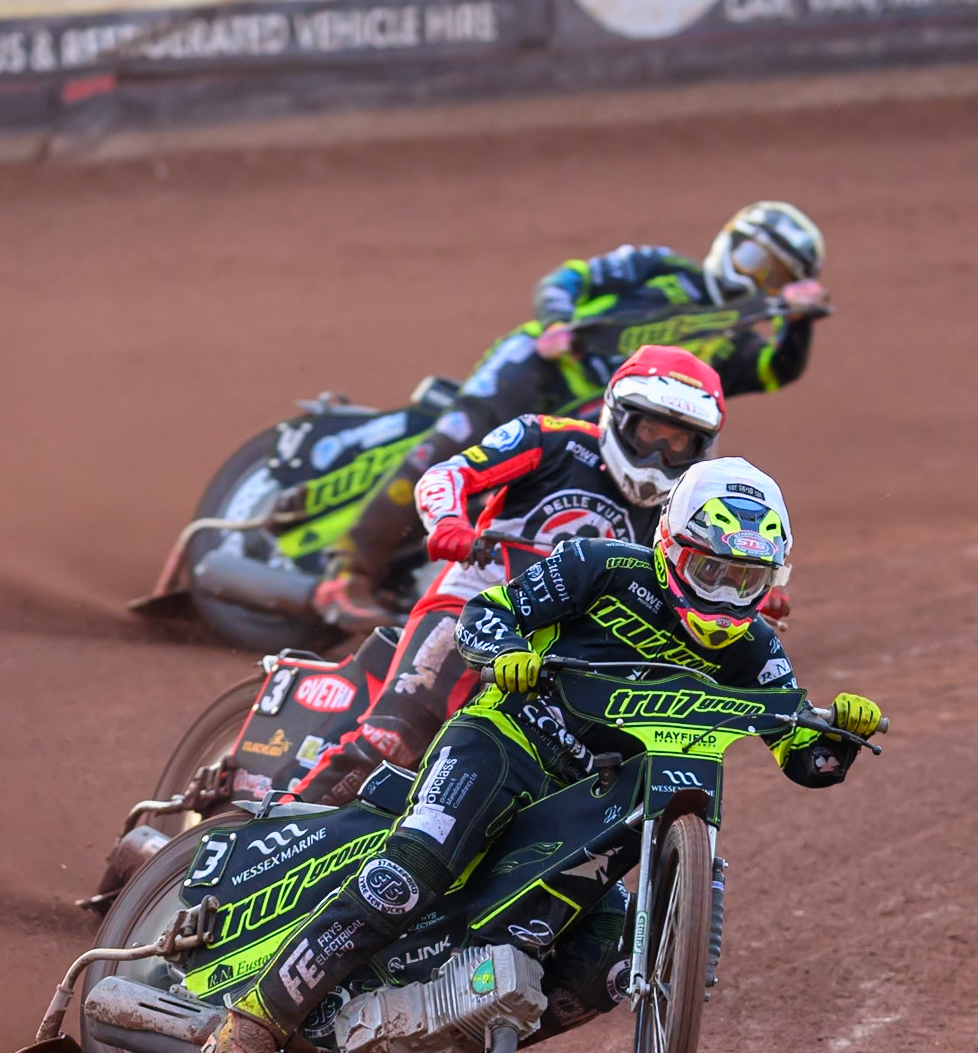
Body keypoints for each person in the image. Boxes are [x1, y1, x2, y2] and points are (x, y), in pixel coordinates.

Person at [206, 455, 882, 1053]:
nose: (726, 592)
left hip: (598, 801)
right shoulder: (599, 566)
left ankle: (449, 1051)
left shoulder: (754, 648)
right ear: (672, 548)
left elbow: (804, 759)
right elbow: (487, 614)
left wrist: (837, 736)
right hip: (505, 743)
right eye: (711, 568)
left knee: (607, 969)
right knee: (409, 876)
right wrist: (506, 656)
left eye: (746, 577)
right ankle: (255, 1021)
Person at [312, 201, 828, 630]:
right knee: (451, 445)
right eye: (755, 258)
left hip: (599, 421)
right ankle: (347, 573)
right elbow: (572, 276)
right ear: (728, 243)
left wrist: (799, 322)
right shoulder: (664, 269)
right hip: (535, 371)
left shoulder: (735, 346)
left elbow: (774, 370)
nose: (757, 277)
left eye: (775, 274)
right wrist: (557, 320)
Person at [292, 343, 726, 806]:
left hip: (568, 649)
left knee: (575, 785)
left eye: (678, 441)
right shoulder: (551, 438)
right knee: (393, 740)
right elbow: (449, 474)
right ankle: (273, 829)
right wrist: (449, 523)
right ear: (619, 416)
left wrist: (735, 589)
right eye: (649, 431)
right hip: (472, 608)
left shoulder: (687, 505)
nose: (660, 454)